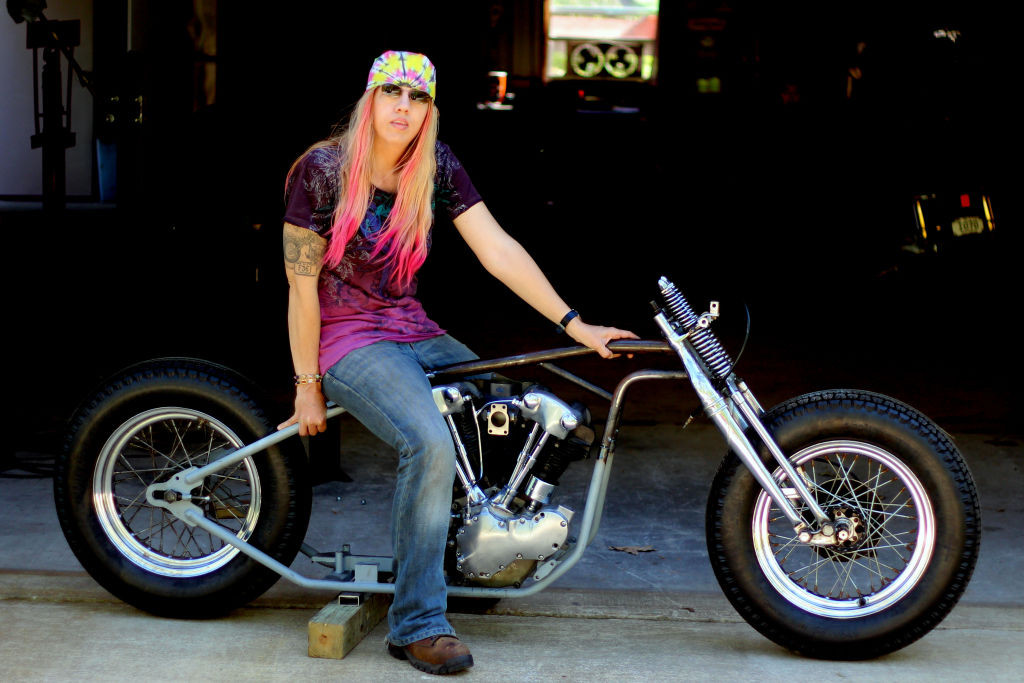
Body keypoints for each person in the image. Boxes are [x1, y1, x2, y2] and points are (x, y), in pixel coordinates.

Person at [278, 50, 637, 675]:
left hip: (412, 328)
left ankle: (467, 560)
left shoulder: (432, 166)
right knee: (430, 443)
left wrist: (574, 324)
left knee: (505, 413)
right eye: (391, 93)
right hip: (346, 339)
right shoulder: (323, 169)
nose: (402, 107)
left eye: (417, 99)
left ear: (429, 111)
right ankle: (417, 622)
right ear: (369, 100)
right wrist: (307, 383)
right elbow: (301, 287)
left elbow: (497, 248)